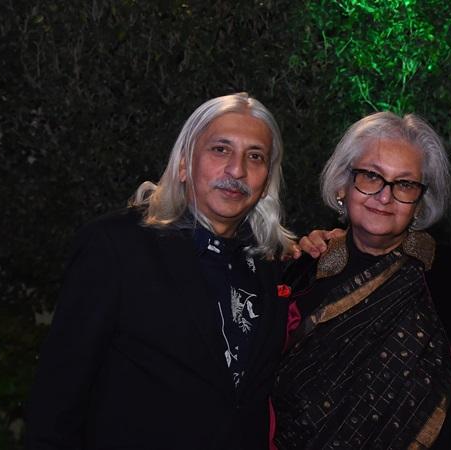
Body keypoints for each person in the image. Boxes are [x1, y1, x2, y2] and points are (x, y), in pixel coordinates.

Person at [26, 93, 297, 449]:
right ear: (184, 163)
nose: (237, 170)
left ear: (266, 182)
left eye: (255, 156)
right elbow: (57, 396)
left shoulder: (272, 265)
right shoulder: (116, 246)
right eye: (220, 149)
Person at [272, 112, 451, 449]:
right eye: (371, 176)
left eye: (405, 184)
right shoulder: (301, 270)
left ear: (420, 201)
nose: (385, 196)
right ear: (343, 185)